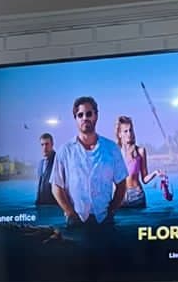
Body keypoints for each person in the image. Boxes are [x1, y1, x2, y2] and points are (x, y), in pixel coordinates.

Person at [50, 96, 127, 243]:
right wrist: (71, 214)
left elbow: (122, 184)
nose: (85, 118)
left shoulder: (111, 149)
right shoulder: (65, 151)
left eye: (89, 114)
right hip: (75, 222)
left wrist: (111, 211)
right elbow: (56, 186)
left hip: (104, 220)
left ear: (96, 116)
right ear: (75, 119)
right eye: (80, 115)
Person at [114, 114, 164, 209]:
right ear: (119, 134)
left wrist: (155, 173)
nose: (129, 133)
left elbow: (144, 179)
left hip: (136, 195)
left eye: (131, 130)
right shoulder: (115, 152)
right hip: (120, 196)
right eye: (125, 131)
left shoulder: (140, 151)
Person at [35, 133, 56, 205]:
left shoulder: (58, 161)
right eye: (42, 145)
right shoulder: (40, 164)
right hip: (41, 205)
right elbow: (40, 185)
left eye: (47, 144)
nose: (44, 147)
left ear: (52, 144)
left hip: (54, 206)